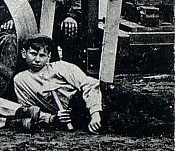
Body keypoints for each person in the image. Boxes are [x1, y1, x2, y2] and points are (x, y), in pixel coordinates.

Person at [14, 35, 173, 135]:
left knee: (137, 100)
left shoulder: (61, 67)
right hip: (76, 111)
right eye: (33, 54)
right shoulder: (21, 80)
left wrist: (95, 112)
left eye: (42, 55)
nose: (37, 59)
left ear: (48, 56)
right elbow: (27, 111)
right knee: (124, 122)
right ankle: (167, 128)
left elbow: (89, 85)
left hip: (95, 94)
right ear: (23, 53)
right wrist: (52, 118)